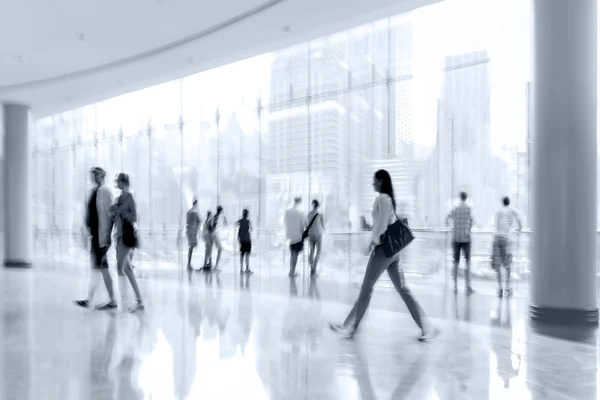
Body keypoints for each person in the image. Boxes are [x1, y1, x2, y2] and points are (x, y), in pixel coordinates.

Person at [329, 170, 438, 341]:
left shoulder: (381, 199)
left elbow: (380, 228)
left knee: (366, 290)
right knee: (403, 290)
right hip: (394, 253)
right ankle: (426, 327)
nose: (372, 183)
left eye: (374, 180)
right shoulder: (388, 199)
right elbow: (385, 223)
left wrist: (373, 244)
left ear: (381, 180)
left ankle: (349, 328)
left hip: (382, 252)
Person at [74, 167, 117, 310]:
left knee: (102, 268)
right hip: (95, 237)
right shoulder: (93, 192)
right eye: (92, 175)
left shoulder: (106, 191)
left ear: (102, 176)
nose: (93, 178)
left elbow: (111, 215)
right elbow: (89, 213)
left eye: (96, 175)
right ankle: (91, 299)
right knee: (97, 269)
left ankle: (111, 300)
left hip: (102, 237)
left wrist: (108, 237)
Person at [111, 173, 144, 312]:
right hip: (118, 237)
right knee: (125, 268)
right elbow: (114, 218)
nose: (117, 183)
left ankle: (134, 301)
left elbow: (134, 217)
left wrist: (121, 212)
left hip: (125, 237)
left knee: (122, 268)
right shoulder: (117, 199)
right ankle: (137, 301)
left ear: (124, 182)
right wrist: (113, 211)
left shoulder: (129, 197)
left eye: (119, 181)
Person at [492, 197, 522, 297]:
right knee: (507, 264)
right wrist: (519, 228)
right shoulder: (511, 210)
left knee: (498, 265)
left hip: (496, 238)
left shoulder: (498, 211)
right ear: (509, 203)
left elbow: (496, 225)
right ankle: (507, 287)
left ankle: (500, 288)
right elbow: (518, 217)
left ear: (502, 203)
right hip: (506, 238)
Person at [446, 191, 475, 294]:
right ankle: (468, 286)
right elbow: (471, 220)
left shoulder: (455, 207)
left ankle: (455, 286)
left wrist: (452, 227)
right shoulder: (469, 208)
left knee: (456, 262)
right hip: (466, 238)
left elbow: (447, 218)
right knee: (468, 262)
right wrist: (468, 230)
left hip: (456, 237)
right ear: (466, 197)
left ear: (460, 197)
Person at [284, 197, 307, 278]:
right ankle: (292, 271)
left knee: (292, 253)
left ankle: (292, 270)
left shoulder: (287, 211)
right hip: (298, 236)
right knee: (295, 253)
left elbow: (285, 222)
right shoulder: (300, 212)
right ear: (300, 203)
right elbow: (304, 224)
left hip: (290, 236)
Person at [306, 199, 325, 277]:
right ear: (318, 205)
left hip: (310, 235)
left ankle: (311, 268)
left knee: (311, 252)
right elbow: (323, 226)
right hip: (318, 235)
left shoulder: (308, 214)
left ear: (312, 205)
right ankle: (314, 269)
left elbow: (306, 224)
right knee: (318, 252)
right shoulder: (320, 214)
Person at [236, 209, 253, 274]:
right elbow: (251, 229)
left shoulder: (240, 221)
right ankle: (247, 268)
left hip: (242, 240)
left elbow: (236, 224)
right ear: (247, 214)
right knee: (247, 255)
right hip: (247, 240)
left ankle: (241, 268)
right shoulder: (248, 221)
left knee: (242, 255)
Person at [186, 200, 202, 270]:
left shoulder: (188, 212)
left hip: (189, 231)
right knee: (192, 247)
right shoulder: (195, 212)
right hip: (193, 232)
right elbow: (200, 221)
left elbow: (187, 222)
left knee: (191, 247)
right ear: (195, 204)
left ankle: (189, 263)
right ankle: (189, 264)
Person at [212, 205, 227, 270]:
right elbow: (214, 226)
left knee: (211, 249)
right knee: (220, 249)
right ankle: (216, 266)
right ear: (220, 211)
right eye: (222, 210)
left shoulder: (215, 216)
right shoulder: (218, 217)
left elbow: (225, 224)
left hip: (213, 234)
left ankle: (211, 264)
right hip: (215, 234)